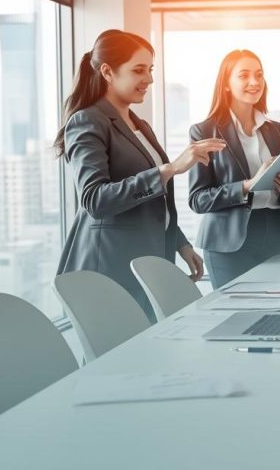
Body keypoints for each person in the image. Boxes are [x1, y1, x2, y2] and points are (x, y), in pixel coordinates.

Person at [56, 30, 226, 321]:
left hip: (146, 261)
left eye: (150, 70)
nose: (148, 79)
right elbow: (95, 199)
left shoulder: (139, 124)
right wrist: (169, 168)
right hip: (108, 267)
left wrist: (180, 243)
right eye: (138, 70)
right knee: (112, 359)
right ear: (107, 72)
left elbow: (152, 200)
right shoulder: (87, 121)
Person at [188, 50, 280, 289]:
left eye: (259, 75)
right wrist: (247, 185)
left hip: (272, 233)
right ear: (227, 84)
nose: (254, 82)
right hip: (226, 242)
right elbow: (198, 199)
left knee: (273, 311)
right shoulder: (204, 131)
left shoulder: (275, 129)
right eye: (244, 75)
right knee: (235, 317)